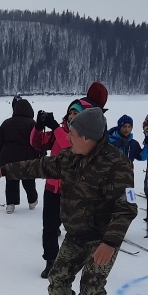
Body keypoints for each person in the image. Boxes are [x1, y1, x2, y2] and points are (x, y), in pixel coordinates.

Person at [0, 108, 137, 295]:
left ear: (87, 137)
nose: (68, 137)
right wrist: (3, 171)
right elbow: (38, 165)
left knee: (92, 287)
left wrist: (110, 242)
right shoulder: (70, 158)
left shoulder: (118, 164)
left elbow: (126, 207)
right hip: (75, 235)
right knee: (58, 280)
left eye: (72, 133)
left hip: (102, 239)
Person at [30, 83, 108, 279]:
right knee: (49, 227)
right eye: (70, 112)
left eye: (77, 113)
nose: (72, 116)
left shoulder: (83, 137)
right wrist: (38, 126)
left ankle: (83, 259)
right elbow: (36, 143)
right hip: (52, 188)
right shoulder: (61, 130)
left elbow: (68, 146)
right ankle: (50, 260)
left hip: (73, 190)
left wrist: (55, 126)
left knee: (77, 228)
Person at [0, 98, 40, 214]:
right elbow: (37, 141)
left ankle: (10, 204)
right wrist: (39, 155)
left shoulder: (6, 123)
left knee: (11, 181)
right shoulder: (32, 124)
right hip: (27, 157)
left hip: (8, 156)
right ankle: (32, 201)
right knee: (28, 180)